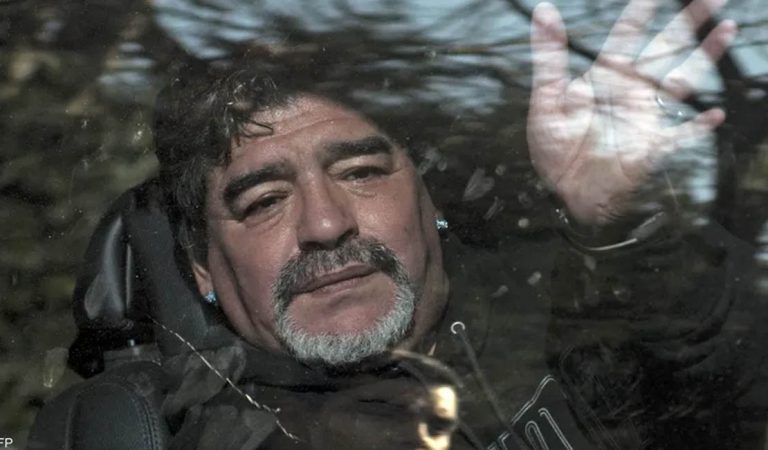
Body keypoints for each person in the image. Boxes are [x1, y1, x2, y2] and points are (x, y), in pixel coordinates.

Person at [29, 0, 768, 448]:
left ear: (429, 196)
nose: (325, 224)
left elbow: (723, 381)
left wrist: (623, 231)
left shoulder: (570, 319)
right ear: (200, 268)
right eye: (263, 202)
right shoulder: (158, 433)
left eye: (359, 172)